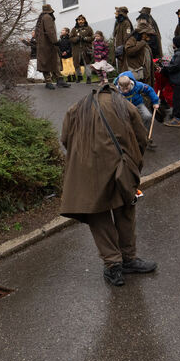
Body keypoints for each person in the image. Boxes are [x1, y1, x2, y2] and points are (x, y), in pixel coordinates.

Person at [59, 87, 156, 287]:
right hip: (120, 170)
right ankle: (128, 259)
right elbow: (141, 137)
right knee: (126, 212)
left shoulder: (77, 107)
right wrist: (134, 162)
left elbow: (65, 139)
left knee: (99, 217)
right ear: (114, 91)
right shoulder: (124, 105)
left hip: (87, 173)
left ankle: (113, 265)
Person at [34, 4, 67, 89]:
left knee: (46, 63)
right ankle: (53, 82)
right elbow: (50, 31)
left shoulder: (41, 18)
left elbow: (37, 32)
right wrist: (55, 42)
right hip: (49, 44)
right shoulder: (47, 17)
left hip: (43, 44)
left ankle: (56, 81)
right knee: (53, 62)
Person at [123, 19, 155, 84]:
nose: (149, 37)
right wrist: (142, 43)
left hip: (146, 75)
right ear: (142, 33)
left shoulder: (143, 42)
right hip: (137, 76)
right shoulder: (132, 40)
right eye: (147, 34)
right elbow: (129, 51)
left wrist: (154, 66)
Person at [70, 15, 96, 84]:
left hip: (86, 49)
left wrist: (86, 38)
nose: (80, 21)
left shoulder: (88, 28)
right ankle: (79, 77)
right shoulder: (74, 29)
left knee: (87, 63)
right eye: (79, 20)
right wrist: (77, 38)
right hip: (76, 50)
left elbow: (92, 37)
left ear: (84, 20)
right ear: (77, 21)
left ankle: (88, 77)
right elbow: (71, 38)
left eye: (82, 20)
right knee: (76, 64)